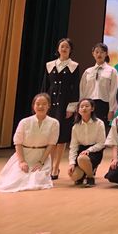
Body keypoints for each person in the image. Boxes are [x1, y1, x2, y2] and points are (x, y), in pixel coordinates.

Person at [0, 93, 59, 193]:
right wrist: (22, 161)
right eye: (38, 104)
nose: (41, 106)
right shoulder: (24, 122)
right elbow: (18, 143)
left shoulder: (54, 123)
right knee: (13, 181)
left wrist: (41, 162)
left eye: (44, 104)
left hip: (42, 157)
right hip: (24, 155)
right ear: (33, 106)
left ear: (49, 106)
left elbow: (51, 144)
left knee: (37, 181)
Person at [41, 37, 80, 180]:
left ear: (70, 50)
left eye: (67, 47)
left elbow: (75, 88)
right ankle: (50, 166)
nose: (64, 49)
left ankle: (56, 167)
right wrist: (43, 104)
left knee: (61, 136)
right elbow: (45, 86)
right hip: (50, 103)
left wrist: (71, 107)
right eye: (62, 46)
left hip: (65, 105)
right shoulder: (50, 65)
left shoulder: (74, 66)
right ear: (58, 49)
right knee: (51, 137)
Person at [79, 42, 118, 127]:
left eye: (102, 52)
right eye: (96, 52)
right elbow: (82, 90)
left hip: (103, 105)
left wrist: (111, 110)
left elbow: (114, 91)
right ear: (93, 54)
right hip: (88, 105)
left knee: (101, 130)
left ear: (106, 54)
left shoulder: (112, 71)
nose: (99, 54)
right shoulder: (88, 71)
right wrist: (81, 106)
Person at [68, 98, 106, 187]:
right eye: (81, 106)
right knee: (74, 176)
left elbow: (102, 143)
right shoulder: (75, 127)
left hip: (95, 151)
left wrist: (89, 150)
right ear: (78, 110)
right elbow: (73, 146)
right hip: (81, 150)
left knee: (82, 158)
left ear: (92, 108)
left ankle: (90, 177)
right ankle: (87, 170)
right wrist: (72, 163)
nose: (84, 108)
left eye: (87, 106)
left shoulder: (99, 123)